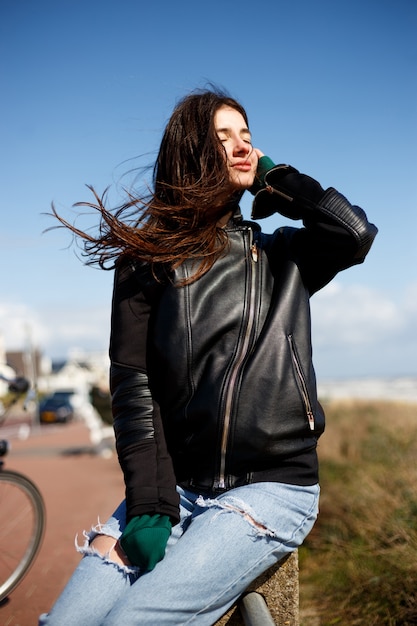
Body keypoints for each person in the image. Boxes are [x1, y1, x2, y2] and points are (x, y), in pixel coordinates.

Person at [39, 87, 377, 626]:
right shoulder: (143, 261)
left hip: (273, 490)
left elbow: (353, 232)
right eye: (223, 138)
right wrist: (149, 504)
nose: (243, 147)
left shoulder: (284, 254)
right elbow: (134, 386)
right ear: (189, 154)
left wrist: (277, 176)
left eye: (248, 137)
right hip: (178, 486)